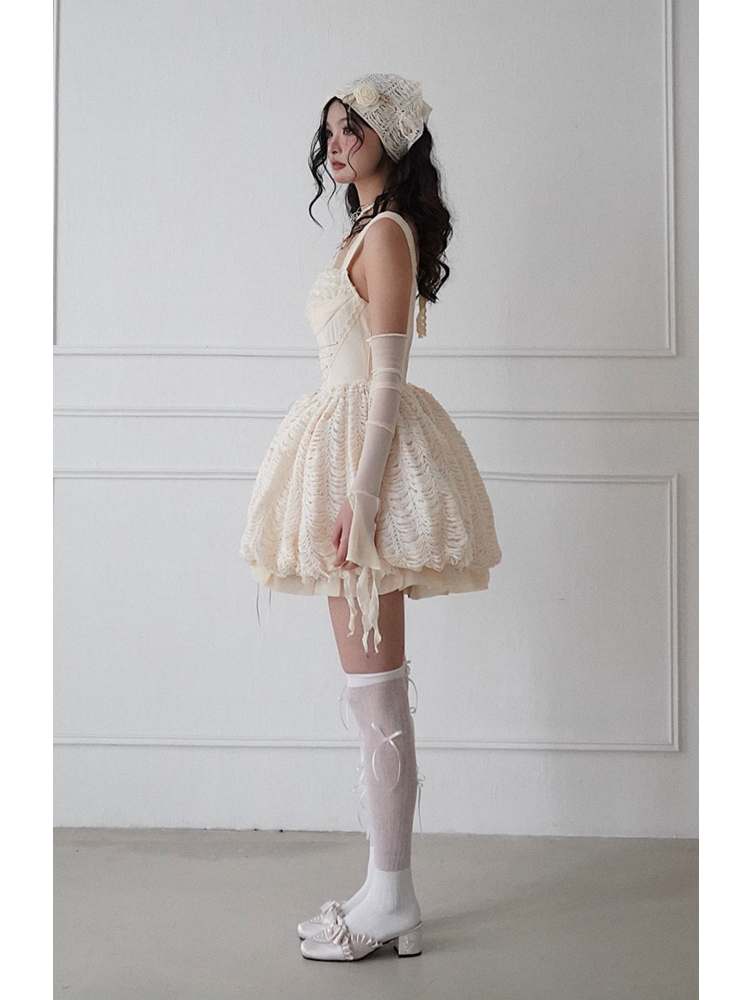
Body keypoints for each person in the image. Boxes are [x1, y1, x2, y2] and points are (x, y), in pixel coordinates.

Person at [239, 73, 502, 961]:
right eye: (330, 131)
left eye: (352, 128)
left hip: (368, 463)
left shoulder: (386, 235)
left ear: (389, 136)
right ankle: (385, 887)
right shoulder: (364, 230)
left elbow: (386, 379)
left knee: (377, 693)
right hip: (347, 451)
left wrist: (361, 497)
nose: (337, 143)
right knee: (370, 693)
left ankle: (393, 897)